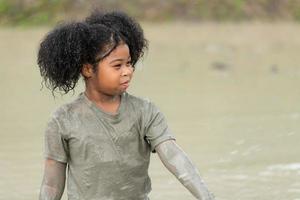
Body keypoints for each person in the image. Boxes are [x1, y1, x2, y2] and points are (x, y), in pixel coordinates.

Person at [38, 10, 214, 200]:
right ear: (88, 69)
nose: (127, 71)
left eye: (129, 63)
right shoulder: (63, 120)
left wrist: (207, 197)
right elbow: (51, 185)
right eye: (117, 65)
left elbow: (174, 157)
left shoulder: (145, 112)